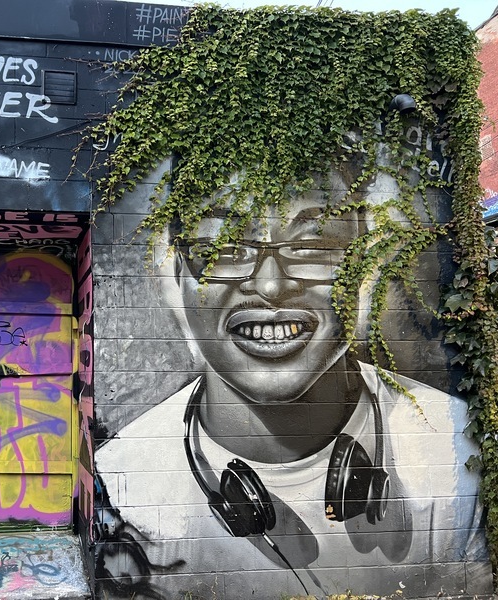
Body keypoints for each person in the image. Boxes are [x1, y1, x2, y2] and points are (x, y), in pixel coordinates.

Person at [93, 168, 492, 599]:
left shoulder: (458, 448)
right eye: (224, 250)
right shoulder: (115, 483)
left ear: (363, 270)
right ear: (175, 278)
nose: (270, 285)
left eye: (314, 246)